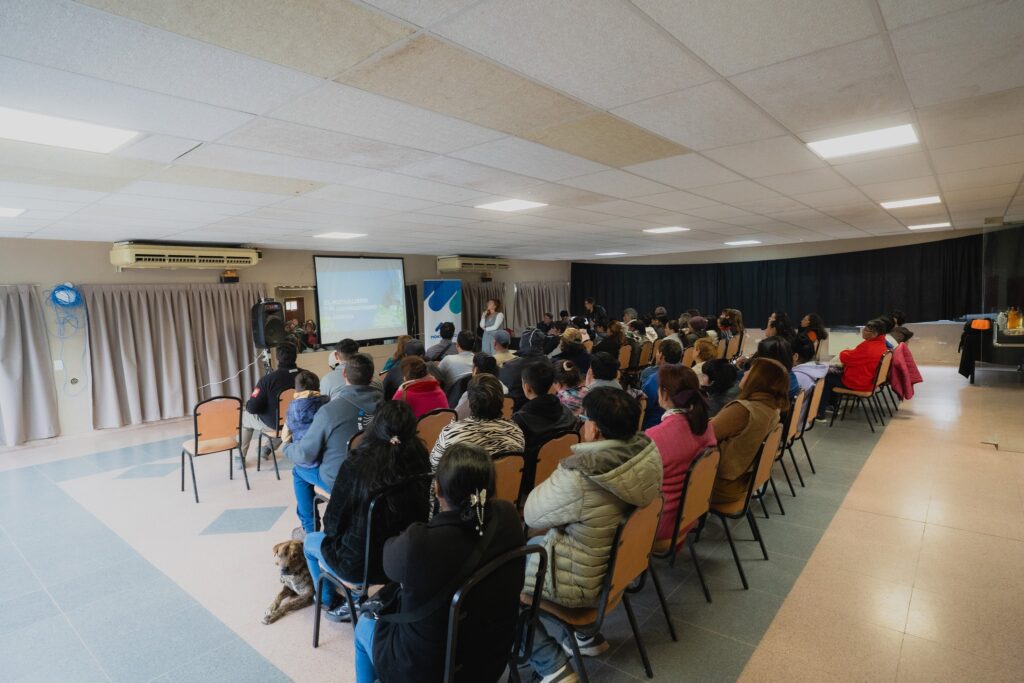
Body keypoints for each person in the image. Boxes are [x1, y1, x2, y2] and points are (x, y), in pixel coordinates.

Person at [521, 387, 662, 680]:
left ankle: (552, 666)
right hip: (617, 569)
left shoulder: (580, 476)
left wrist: (558, 475)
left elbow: (531, 513)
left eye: (584, 419)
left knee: (500, 577)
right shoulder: (647, 457)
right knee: (539, 541)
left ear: (594, 429)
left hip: (580, 583)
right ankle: (585, 637)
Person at [358, 443, 526, 683]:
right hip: (491, 657)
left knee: (364, 626)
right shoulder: (508, 516)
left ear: (437, 488)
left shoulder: (420, 544)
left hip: (429, 671)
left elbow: (388, 563)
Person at [303, 400, 430, 622]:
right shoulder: (420, 457)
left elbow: (332, 523)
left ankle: (332, 600)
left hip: (359, 566)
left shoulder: (356, 464)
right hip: (405, 556)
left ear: (375, 426)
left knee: (309, 542)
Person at [284, 353, 383, 538]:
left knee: (299, 470)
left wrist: (287, 448)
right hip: (378, 475)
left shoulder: (329, 410)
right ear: (372, 377)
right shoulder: (386, 405)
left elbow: (306, 454)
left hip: (342, 481)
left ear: (344, 374)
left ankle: (309, 530)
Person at [645, 365, 716, 544]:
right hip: (689, 514)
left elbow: (637, 488)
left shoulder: (655, 436)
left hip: (659, 523)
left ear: (664, 394)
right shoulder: (706, 426)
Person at [710, 358, 788, 504]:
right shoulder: (772, 407)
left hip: (719, 485)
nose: (745, 373)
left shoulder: (743, 410)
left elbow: (704, 435)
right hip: (743, 481)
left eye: (750, 371)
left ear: (759, 380)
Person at [430, 375, 525, 473]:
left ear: (470, 402)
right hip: (506, 483)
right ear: (501, 400)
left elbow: (435, 468)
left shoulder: (451, 433)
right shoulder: (515, 432)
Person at [513, 361, 577, 493]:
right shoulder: (566, 411)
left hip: (530, 482)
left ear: (527, 387)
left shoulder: (521, 420)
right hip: (561, 473)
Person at [818, 318, 889, 418]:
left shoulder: (868, 347)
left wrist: (844, 351)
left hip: (859, 383)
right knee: (833, 375)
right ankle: (832, 406)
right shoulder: (881, 344)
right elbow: (857, 356)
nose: (863, 331)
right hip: (869, 381)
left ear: (875, 334)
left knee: (826, 378)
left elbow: (845, 358)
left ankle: (820, 413)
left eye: (866, 330)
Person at [240, 343, 299, 463]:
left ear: (277, 357)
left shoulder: (266, 380)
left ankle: (240, 457)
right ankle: (266, 449)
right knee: (285, 418)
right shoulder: (307, 376)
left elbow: (252, 408)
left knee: (246, 416)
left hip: (277, 424)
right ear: (296, 356)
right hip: (299, 420)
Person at [501, 330, 547, 412]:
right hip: (544, 408)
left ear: (523, 343)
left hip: (517, 411)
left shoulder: (511, 367)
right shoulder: (549, 363)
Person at [641, 338, 683, 429]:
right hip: (678, 424)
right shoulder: (687, 374)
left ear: (660, 355)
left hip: (653, 425)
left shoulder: (655, 379)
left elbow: (644, 405)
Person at [453, 353, 507, 420]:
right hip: (500, 424)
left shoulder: (472, 394)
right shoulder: (505, 389)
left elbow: (457, 417)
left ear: (475, 369)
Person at [282, 370, 329, 444]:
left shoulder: (291, 408)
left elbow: (285, 438)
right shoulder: (326, 402)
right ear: (318, 388)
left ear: (296, 391)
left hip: (301, 447)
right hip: (324, 445)